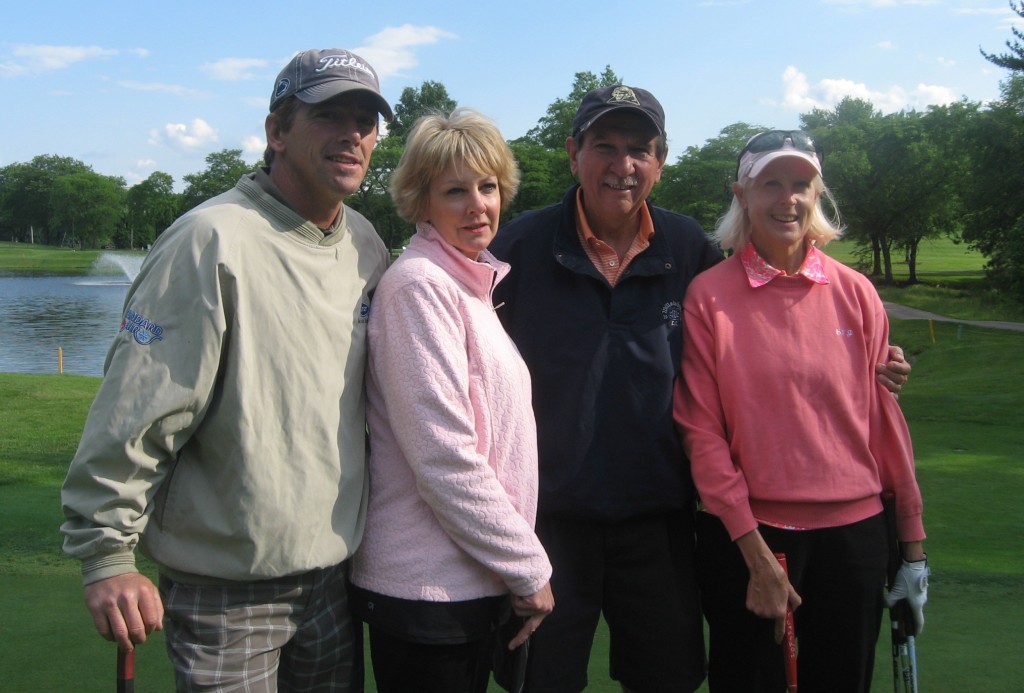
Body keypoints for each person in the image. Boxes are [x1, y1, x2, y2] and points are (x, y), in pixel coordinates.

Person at [488, 86, 913, 693]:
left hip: (661, 522)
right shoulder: (517, 249)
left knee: (668, 679)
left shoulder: (688, 250)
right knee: (543, 681)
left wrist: (869, 360)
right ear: (572, 152)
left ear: (661, 161)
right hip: (545, 521)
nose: (622, 165)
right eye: (603, 147)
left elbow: (768, 335)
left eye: (640, 150)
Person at [60, 48, 393, 691]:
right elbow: (137, 411)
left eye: (365, 120)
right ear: (276, 131)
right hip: (228, 596)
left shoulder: (365, 244)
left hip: (334, 581)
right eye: (329, 116)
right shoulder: (208, 239)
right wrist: (106, 555)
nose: (352, 134)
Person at [673, 130, 928, 693]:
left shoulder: (856, 292)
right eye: (771, 184)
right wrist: (752, 549)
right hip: (750, 537)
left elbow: (883, 424)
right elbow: (702, 432)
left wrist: (911, 541)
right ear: (742, 193)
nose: (787, 199)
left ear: (816, 195)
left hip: (855, 537)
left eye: (801, 185)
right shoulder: (708, 296)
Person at [348, 108, 554, 693]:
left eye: (487, 187)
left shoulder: (469, 286)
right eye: (455, 191)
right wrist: (527, 564)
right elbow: (444, 456)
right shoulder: (420, 287)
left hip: (467, 580)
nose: (477, 206)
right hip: (425, 589)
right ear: (422, 201)